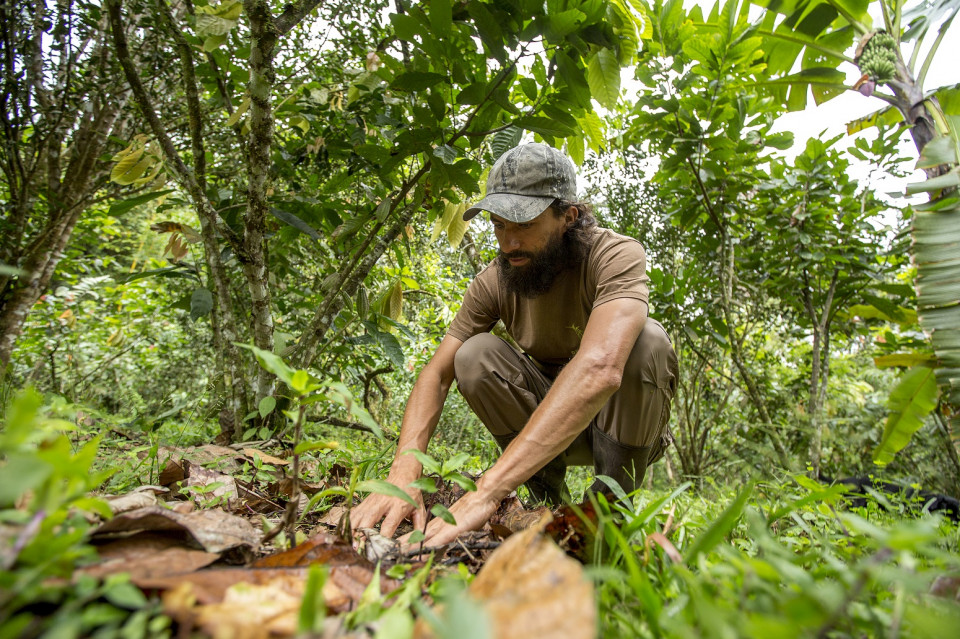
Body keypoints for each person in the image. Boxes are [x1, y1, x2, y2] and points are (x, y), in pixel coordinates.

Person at [352, 143, 678, 548]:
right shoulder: (496, 279)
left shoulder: (614, 255)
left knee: (648, 340)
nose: (509, 243)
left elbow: (601, 367)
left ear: (568, 216)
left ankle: (610, 511)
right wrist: (404, 470)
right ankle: (542, 500)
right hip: (549, 423)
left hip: (619, 424)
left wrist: (486, 492)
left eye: (523, 224)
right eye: (499, 225)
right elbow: (436, 374)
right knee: (473, 355)